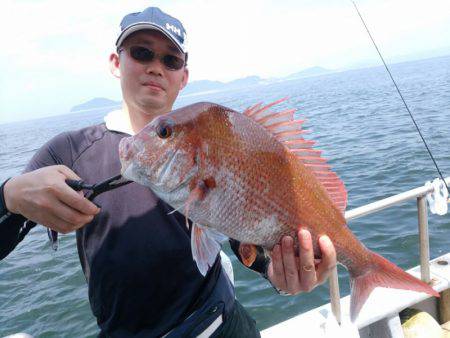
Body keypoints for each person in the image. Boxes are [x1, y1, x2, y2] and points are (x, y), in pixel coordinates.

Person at [0, 7, 337, 337]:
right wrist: (10, 195)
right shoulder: (69, 151)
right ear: (116, 63)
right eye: (142, 53)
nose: (156, 68)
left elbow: (244, 235)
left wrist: (280, 276)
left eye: (170, 60)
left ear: (183, 76)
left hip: (225, 324)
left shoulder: (211, 144)